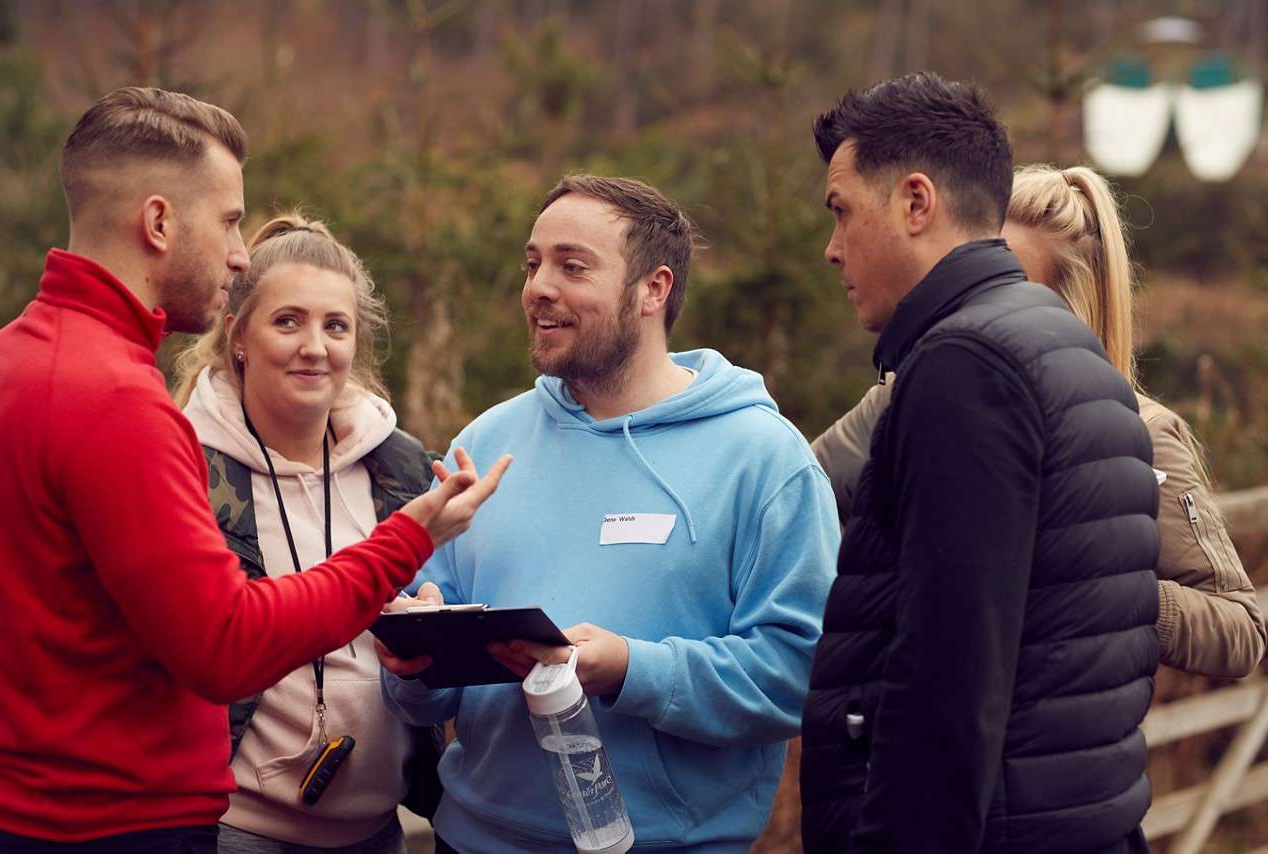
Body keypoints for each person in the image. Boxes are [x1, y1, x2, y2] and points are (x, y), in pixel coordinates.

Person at [0, 87, 508, 853]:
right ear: (159, 222)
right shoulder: (119, 404)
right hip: (114, 827)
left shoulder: (9, 361)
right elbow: (225, 648)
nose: (240, 251)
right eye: (229, 220)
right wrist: (409, 537)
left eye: (335, 325)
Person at [379, 174, 839, 853]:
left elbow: (799, 674)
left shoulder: (764, 459)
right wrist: (415, 666)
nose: (538, 287)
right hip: (473, 840)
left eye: (573, 266)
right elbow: (431, 690)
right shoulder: (484, 444)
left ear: (653, 290)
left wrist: (630, 669)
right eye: (533, 264)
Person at [797, 73, 1160, 854]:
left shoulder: (967, 366)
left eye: (841, 211)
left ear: (916, 202)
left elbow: (946, 686)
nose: (831, 249)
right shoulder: (1062, 344)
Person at [812, 163, 1265, 679]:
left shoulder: (1141, 432)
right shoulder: (904, 396)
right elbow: (793, 503)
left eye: (1016, 287)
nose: (989, 302)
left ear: (1074, 308)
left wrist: (1110, 585)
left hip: (1066, 742)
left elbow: (1239, 630)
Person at [172, 213, 445, 853]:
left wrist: (432, 619)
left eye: (336, 326)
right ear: (237, 336)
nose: (315, 347)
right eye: (288, 321)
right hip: (235, 831)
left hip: (380, 831)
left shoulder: (400, 465)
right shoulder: (188, 462)